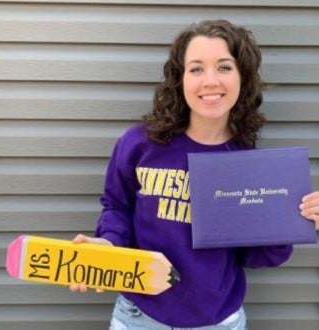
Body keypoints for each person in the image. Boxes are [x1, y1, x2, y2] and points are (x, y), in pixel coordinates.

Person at [70, 19, 319, 329]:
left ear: (243, 78)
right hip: (138, 318)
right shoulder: (139, 144)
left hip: (219, 322)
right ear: (180, 78)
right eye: (197, 68)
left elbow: (257, 256)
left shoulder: (248, 164)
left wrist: (293, 222)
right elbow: (117, 206)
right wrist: (108, 246)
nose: (210, 80)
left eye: (224, 67)